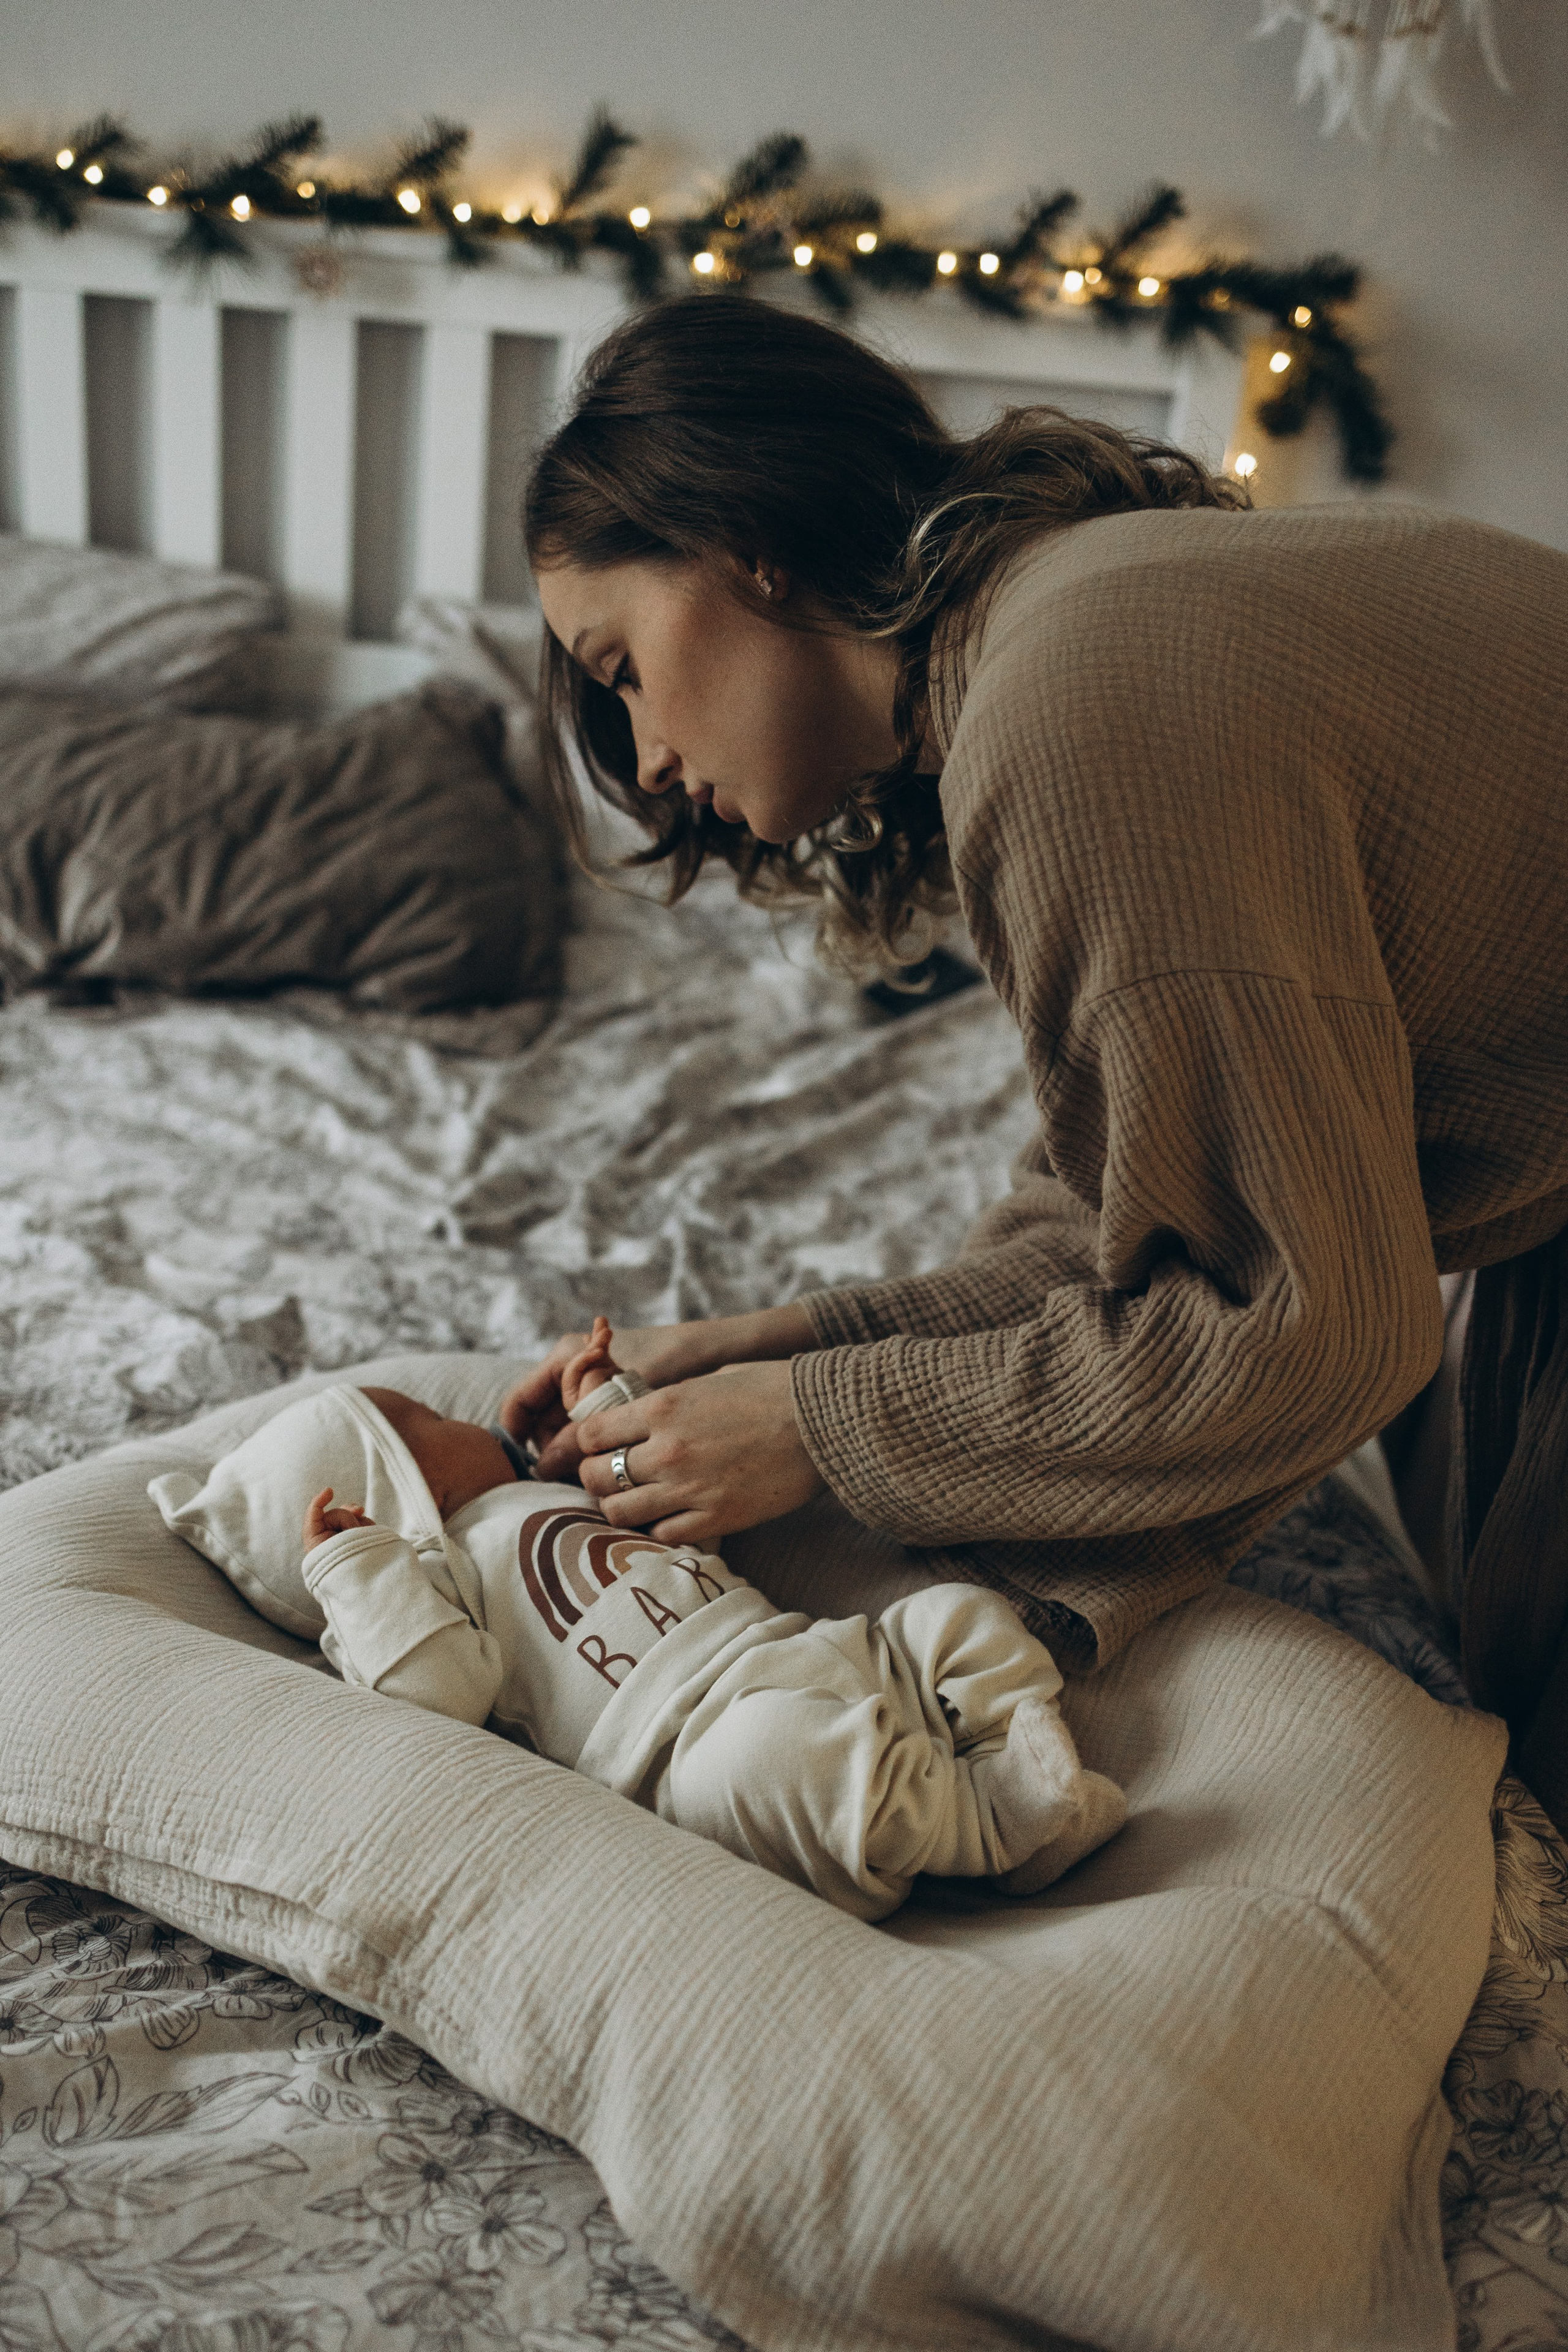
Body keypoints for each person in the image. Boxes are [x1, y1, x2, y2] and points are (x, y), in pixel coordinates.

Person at [499, 292, 1568, 1827]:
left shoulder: (1078, 707)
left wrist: (819, 1435)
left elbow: (1311, 1326)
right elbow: (1123, 1211)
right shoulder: (1064, 630)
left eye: (616, 666)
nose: (647, 760)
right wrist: (800, 1351)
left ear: (745, 544)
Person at [148, 1328, 1125, 1924]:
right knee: (773, 1754)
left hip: (801, 1644)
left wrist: (605, 1409)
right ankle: (987, 1822)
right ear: (406, 1478)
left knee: (953, 1615)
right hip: (693, 1752)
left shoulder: (547, 1492)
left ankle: (1005, 1738)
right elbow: (436, 1696)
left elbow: (661, 1494)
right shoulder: (435, 1587)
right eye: (417, 1415)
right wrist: (358, 1572)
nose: (455, 1412)